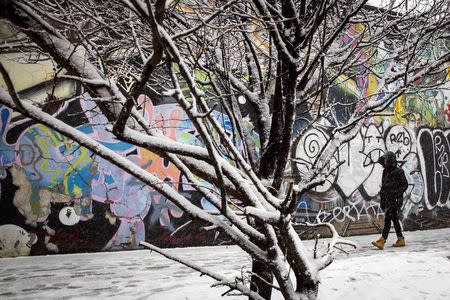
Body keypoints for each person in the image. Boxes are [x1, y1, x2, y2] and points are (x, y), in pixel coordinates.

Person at [372, 151, 409, 250]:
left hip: (395, 199)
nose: (385, 160)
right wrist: (383, 201)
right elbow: (384, 187)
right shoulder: (385, 171)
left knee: (388, 219)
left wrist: (396, 194)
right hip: (388, 199)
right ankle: (400, 239)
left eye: (386, 159)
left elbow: (405, 185)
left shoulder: (399, 171)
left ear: (391, 160)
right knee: (394, 219)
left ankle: (382, 240)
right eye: (385, 159)